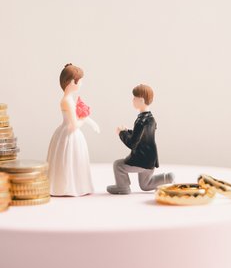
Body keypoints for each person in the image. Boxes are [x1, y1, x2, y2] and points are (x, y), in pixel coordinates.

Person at [107, 84, 174, 194]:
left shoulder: (140, 121)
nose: (132, 100)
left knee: (118, 165)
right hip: (150, 159)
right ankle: (167, 178)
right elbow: (142, 136)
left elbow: (132, 143)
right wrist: (127, 131)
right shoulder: (151, 118)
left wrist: (121, 133)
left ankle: (123, 187)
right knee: (145, 185)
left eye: (134, 98)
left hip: (141, 160)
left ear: (141, 100)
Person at [46, 63, 100, 196]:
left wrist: (91, 122)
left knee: (73, 161)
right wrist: (84, 119)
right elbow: (74, 124)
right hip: (69, 134)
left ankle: (76, 186)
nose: (81, 83)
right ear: (71, 82)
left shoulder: (69, 99)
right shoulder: (66, 101)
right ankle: (67, 187)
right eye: (80, 81)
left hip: (70, 133)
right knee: (68, 161)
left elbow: (77, 117)